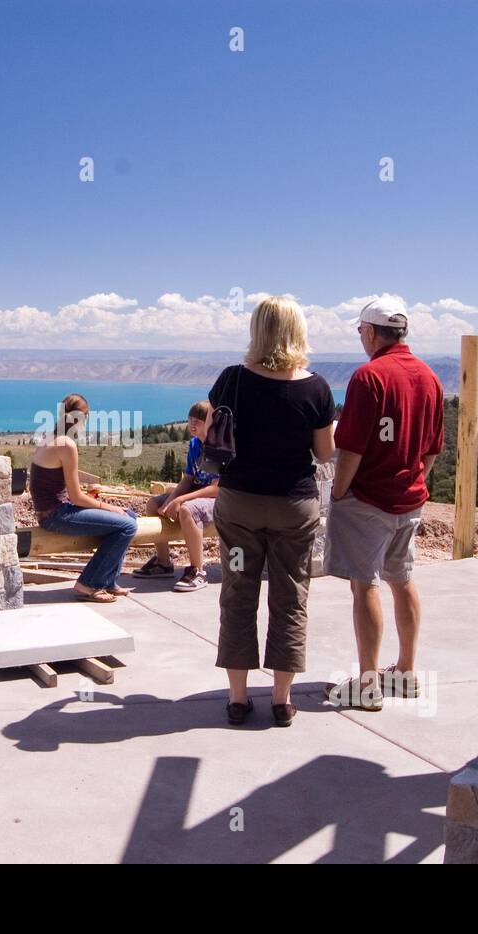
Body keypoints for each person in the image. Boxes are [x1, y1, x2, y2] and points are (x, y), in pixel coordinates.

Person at [209, 297, 336, 728]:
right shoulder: (316, 387)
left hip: (239, 503)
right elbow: (324, 453)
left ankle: (239, 699)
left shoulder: (231, 381)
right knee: (290, 596)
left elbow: (214, 435)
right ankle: (282, 700)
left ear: (256, 330)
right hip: (293, 508)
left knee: (238, 591)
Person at [324, 295, 444, 711]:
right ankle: (406, 672)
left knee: (365, 585)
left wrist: (338, 493)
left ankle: (368, 683)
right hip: (409, 500)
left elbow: (351, 448)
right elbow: (431, 450)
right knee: (402, 578)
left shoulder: (369, 377)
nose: (361, 338)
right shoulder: (429, 377)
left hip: (368, 499)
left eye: (360, 331)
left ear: (372, 332)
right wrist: (412, 478)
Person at [30, 393, 138, 603]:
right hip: (56, 515)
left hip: (54, 509)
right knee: (128, 526)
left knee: (131, 516)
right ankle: (88, 584)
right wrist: (107, 507)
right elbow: (76, 497)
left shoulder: (50, 437)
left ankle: (108, 581)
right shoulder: (66, 444)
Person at [133, 400, 220, 591]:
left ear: (210, 423)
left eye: (198, 420)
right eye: (190, 419)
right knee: (153, 505)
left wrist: (181, 500)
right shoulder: (195, 444)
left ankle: (198, 570)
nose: (192, 424)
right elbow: (188, 478)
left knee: (188, 510)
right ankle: (164, 562)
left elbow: (216, 488)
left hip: (218, 500)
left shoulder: (218, 448)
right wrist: (170, 500)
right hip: (197, 492)